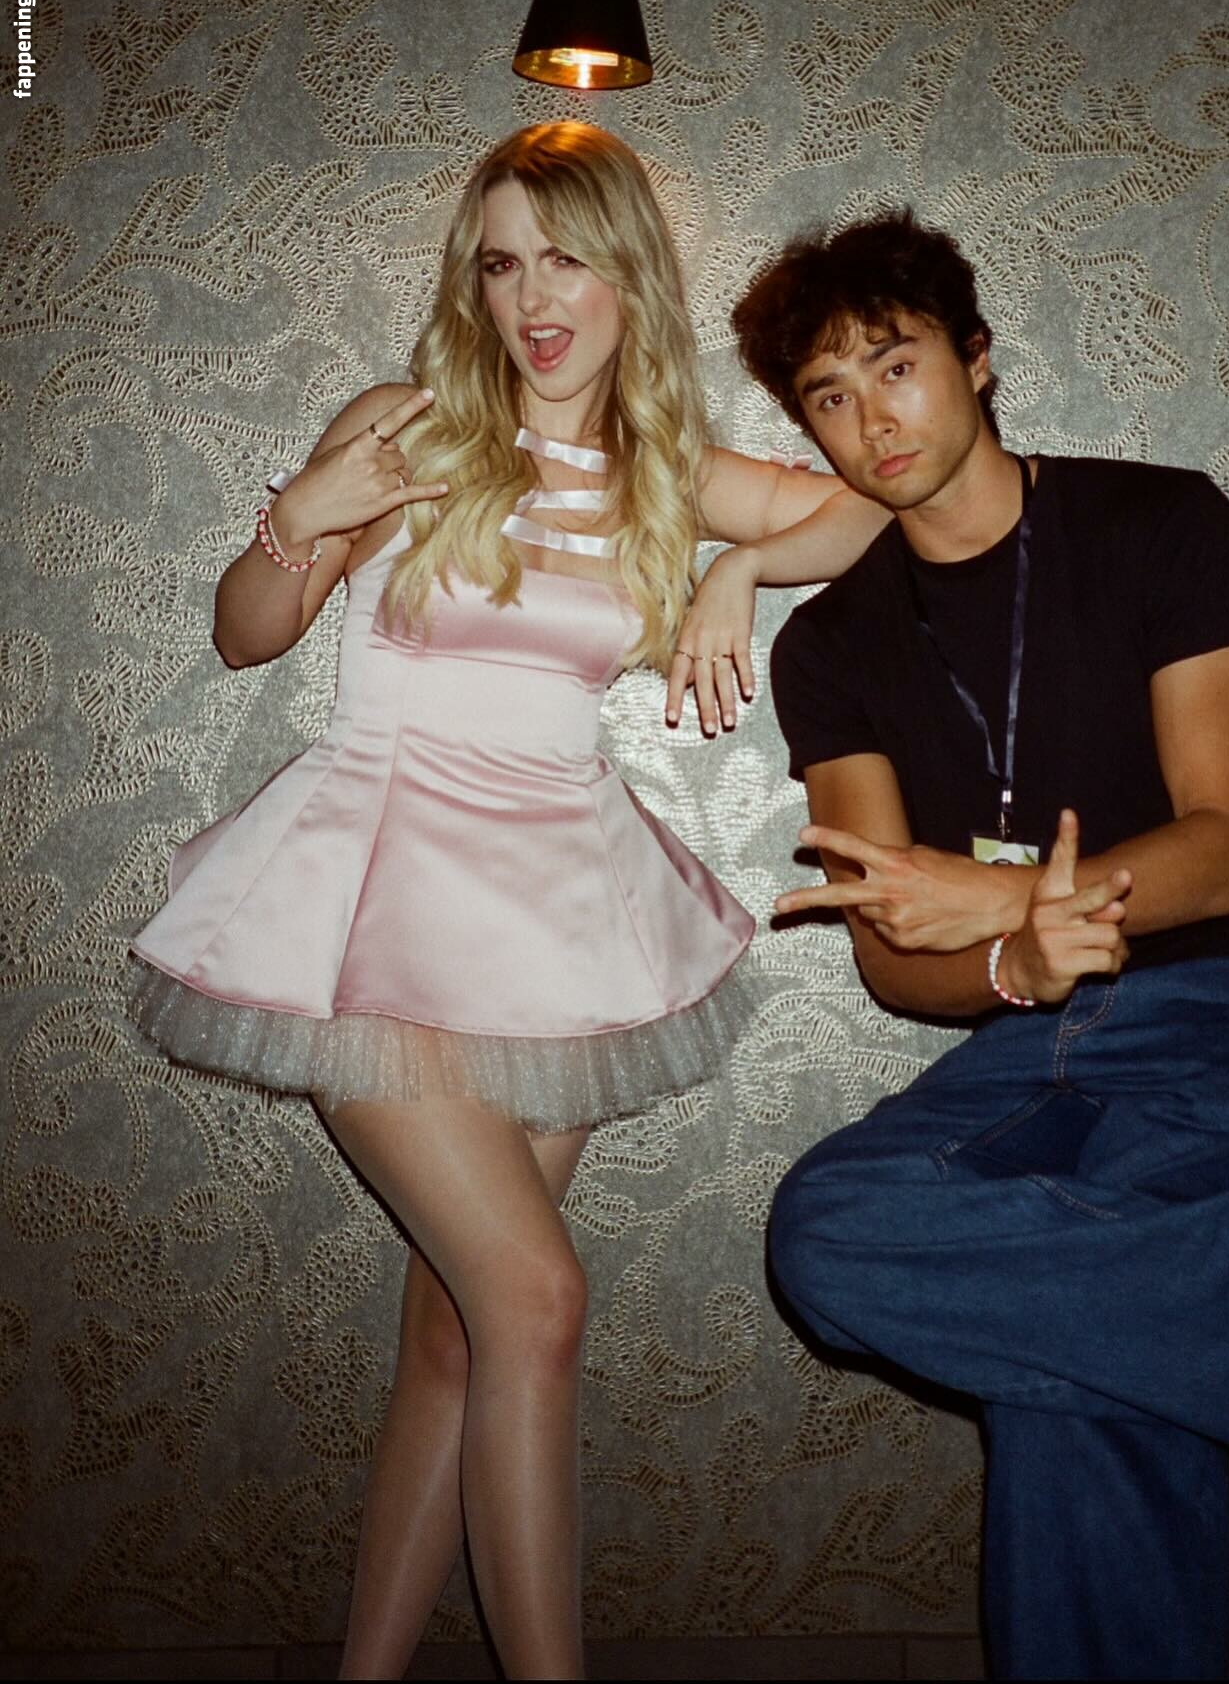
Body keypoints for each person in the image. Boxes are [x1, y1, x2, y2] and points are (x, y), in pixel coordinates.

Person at [127, 121, 888, 1682]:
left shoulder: (664, 472)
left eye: (566, 257)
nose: (533, 296)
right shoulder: (404, 427)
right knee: (537, 1299)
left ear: (630, 277)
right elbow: (245, 635)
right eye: (500, 262)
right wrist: (304, 513)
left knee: (458, 1332)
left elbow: (865, 507)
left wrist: (736, 573)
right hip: (374, 886)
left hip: (557, 908)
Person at [730, 209, 1229, 1681]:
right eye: (830, 397)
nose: (873, 421)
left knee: (1072, 1385)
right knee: (830, 1231)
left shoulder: (1159, 522)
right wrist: (1016, 964)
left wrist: (998, 902)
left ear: (978, 360)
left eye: (896, 366)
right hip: (1032, 1043)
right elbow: (891, 950)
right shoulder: (829, 646)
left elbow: (1222, 847)